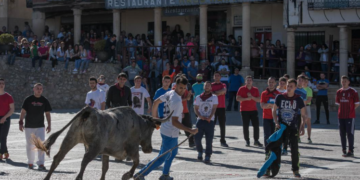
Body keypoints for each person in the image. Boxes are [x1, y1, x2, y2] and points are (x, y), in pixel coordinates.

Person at [134, 76, 198, 180]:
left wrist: (155, 120)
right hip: (170, 132)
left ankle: (165, 175)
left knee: (173, 153)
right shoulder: (177, 101)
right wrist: (190, 130)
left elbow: (156, 102)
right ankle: (141, 174)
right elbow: (175, 122)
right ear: (176, 86)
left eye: (184, 88)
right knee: (161, 157)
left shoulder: (170, 93)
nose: (182, 90)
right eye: (180, 87)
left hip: (166, 129)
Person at [272, 78, 307, 178]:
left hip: (293, 128)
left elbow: (303, 114)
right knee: (275, 148)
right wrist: (276, 122)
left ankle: (295, 170)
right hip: (281, 127)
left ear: (295, 88)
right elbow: (274, 110)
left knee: (294, 150)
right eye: (288, 86)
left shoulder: (298, 99)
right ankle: (272, 169)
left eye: (291, 86)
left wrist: (302, 126)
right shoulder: (279, 97)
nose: (289, 88)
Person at [19, 83, 52, 170]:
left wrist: (49, 125)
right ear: (34, 89)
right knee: (29, 145)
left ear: (42, 90)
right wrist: (20, 122)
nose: (39, 90)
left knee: (41, 145)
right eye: (37, 88)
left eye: (41, 89)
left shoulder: (44, 100)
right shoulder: (28, 99)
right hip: (29, 126)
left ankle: (41, 163)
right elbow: (23, 111)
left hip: (40, 126)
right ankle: (30, 162)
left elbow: (47, 113)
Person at [194, 81, 218, 163]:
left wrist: (210, 117)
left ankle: (208, 155)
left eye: (208, 85)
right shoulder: (198, 97)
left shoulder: (214, 97)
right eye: (205, 85)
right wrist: (200, 116)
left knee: (209, 139)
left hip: (209, 121)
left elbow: (214, 108)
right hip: (200, 120)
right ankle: (200, 151)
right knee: (197, 138)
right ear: (203, 87)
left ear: (211, 87)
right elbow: (196, 108)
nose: (207, 87)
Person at [335, 76, 359, 157]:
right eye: (342, 81)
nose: (344, 82)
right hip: (341, 116)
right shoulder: (339, 92)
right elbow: (338, 104)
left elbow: (357, 103)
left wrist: (351, 109)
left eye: (345, 81)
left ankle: (351, 150)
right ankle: (344, 149)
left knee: (350, 133)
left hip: (350, 116)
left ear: (349, 82)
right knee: (342, 133)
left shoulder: (353, 91)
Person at [236, 76, 263, 147]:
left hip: (254, 110)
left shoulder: (255, 89)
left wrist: (252, 97)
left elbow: (259, 99)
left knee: (256, 126)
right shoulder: (241, 89)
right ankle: (247, 140)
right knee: (246, 126)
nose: (248, 81)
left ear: (252, 82)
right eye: (247, 80)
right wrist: (246, 99)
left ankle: (256, 140)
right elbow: (237, 98)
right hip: (244, 110)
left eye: (250, 80)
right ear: (245, 81)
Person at [260, 77, 280, 153]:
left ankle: (274, 151)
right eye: (269, 82)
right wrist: (271, 105)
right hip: (266, 117)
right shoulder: (264, 93)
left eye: (272, 82)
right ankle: (267, 152)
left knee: (275, 135)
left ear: (275, 83)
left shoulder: (278, 94)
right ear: (267, 83)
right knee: (267, 135)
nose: (271, 84)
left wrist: (268, 105)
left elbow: (279, 106)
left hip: (276, 118)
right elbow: (262, 106)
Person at [212, 71, 229, 147]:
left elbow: (224, 91)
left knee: (222, 125)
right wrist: (219, 93)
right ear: (213, 77)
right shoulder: (211, 85)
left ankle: (223, 140)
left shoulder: (223, 84)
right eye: (215, 76)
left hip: (221, 107)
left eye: (218, 76)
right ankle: (210, 140)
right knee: (212, 125)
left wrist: (214, 92)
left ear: (220, 77)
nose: (217, 77)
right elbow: (210, 93)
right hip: (213, 108)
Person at [0, 78, 15, 160]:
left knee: (3, 136)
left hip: (6, 118)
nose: (1, 85)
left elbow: (12, 109)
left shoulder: (8, 96)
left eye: (3, 83)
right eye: (0, 83)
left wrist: (4, 117)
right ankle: (5, 151)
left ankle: (1, 153)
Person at [302, 77, 313, 143]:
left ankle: (309, 137)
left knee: (308, 122)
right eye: (304, 81)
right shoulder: (299, 89)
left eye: (306, 81)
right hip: (300, 107)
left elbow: (309, 99)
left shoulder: (309, 89)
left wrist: (303, 102)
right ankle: (298, 137)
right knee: (300, 122)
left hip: (307, 106)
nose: (305, 82)